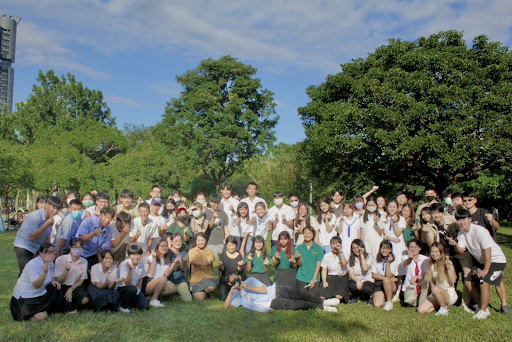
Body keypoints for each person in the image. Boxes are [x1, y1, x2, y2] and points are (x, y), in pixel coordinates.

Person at [451, 209, 510, 318]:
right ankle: (484, 308)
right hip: (482, 262)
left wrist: (486, 269)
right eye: (459, 220)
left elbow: (488, 250)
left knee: (483, 283)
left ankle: (482, 311)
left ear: (470, 219)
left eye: (464, 219)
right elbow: (461, 250)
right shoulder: (461, 234)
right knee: (469, 282)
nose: (462, 222)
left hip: (496, 259)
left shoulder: (480, 230)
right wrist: (454, 244)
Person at [224, 275, 340, 312]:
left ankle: (324, 301)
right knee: (298, 304)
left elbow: (264, 290)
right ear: (230, 284)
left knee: (300, 294)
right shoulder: (237, 296)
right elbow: (226, 308)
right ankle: (323, 307)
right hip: (270, 303)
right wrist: (231, 293)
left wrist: (248, 287)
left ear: (239, 277)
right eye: (232, 281)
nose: (236, 281)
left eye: (236, 279)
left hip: (275, 290)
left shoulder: (250, 280)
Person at [10, 242, 61, 321]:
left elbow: (50, 278)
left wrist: (52, 281)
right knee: (43, 316)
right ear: (40, 253)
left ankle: (45, 310)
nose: (51, 254)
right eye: (48, 252)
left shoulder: (51, 263)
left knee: (56, 289)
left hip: (39, 293)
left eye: (52, 252)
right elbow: (36, 285)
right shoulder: (33, 264)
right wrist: (44, 272)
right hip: (26, 298)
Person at [14, 196, 63, 274]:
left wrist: (49, 252)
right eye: (53, 207)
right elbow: (32, 237)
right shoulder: (35, 216)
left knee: (38, 271)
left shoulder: (50, 220)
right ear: (47, 205)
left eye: (58, 209)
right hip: (24, 246)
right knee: (26, 272)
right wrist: (47, 224)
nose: (55, 211)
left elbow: (47, 238)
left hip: (36, 248)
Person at [417, 242, 457, 316]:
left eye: (436, 252)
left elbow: (453, 281)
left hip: (448, 293)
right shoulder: (431, 265)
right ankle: (439, 305)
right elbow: (432, 281)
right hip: (436, 292)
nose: (434, 254)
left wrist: (449, 269)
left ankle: (443, 309)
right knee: (421, 310)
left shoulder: (447, 263)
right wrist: (434, 293)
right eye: (432, 252)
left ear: (441, 252)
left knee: (435, 289)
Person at [53, 238, 89, 313]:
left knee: (85, 299)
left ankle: (73, 307)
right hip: (61, 286)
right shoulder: (61, 260)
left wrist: (71, 289)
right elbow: (58, 280)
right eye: (75, 247)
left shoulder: (84, 261)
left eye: (80, 248)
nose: (77, 250)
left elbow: (81, 281)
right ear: (70, 248)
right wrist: (66, 270)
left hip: (74, 286)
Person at [116, 244, 150, 312]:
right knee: (132, 288)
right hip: (123, 289)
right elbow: (127, 282)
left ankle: (131, 303)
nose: (136, 257)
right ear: (129, 255)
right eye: (133, 255)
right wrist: (131, 270)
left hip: (134, 289)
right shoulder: (124, 264)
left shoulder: (141, 264)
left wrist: (139, 292)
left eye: (138, 255)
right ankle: (123, 306)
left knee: (145, 307)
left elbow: (140, 279)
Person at [144, 239, 178, 307]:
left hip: (160, 283)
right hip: (149, 282)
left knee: (172, 288)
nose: (164, 248)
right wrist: (154, 258)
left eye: (165, 246)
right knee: (163, 279)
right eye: (162, 246)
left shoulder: (166, 259)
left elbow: (167, 273)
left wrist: (174, 263)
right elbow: (151, 272)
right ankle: (154, 300)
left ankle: (150, 297)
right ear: (157, 247)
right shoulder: (152, 256)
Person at [295, 226, 324, 297]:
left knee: (312, 299)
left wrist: (314, 279)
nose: (307, 235)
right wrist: (299, 257)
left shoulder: (318, 248)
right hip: (301, 277)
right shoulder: (299, 247)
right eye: (305, 233)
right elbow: (299, 264)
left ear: (313, 235)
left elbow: (318, 265)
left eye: (309, 233)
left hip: (313, 277)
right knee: (301, 298)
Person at [320, 236, 349, 304]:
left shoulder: (345, 255)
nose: (335, 246)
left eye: (337, 244)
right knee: (322, 296)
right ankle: (329, 301)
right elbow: (324, 270)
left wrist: (340, 251)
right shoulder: (327, 256)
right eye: (333, 244)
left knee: (339, 296)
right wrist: (324, 281)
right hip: (330, 277)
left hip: (341, 278)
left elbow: (344, 263)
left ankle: (331, 300)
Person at [371, 241, 399, 310]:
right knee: (377, 304)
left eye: (387, 249)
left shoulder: (394, 260)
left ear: (390, 250)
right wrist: (385, 278)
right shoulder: (376, 259)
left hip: (390, 284)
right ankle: (383, 297)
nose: (384, 251)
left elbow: (388, 275)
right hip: (379, 283)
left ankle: (389, 302)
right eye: (383, 248)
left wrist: (388, 262)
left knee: (386, 280)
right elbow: (374, 275)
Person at [188, 233, 216, 301]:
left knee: (211, 288)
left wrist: (204, 262)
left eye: (202, 240)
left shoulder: (210, 251)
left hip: (207, 276)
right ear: (196, 241)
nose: (200, 242)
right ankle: (196, 291)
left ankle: (206, 291)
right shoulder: (191, 251)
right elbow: (192, 261)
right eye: (198, 240)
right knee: (200, 299)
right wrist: (203, 263)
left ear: (206, 241)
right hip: (196, 279)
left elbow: (210, 260)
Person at [402, 239, 429, 307]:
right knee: (409, 300)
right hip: (411, 286)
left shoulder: (426, 259)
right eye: (411, 247)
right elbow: (406, 263)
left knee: (426, 282)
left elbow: (427, 276)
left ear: (419, 248)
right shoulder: (405, 258)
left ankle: (421, 302)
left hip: (422, 284)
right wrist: (410, 259)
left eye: (415, 247)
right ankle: (415, 301)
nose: (413, 249)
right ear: (408, 248)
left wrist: (417, 277)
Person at [166, 233, 192, 302]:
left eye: (180, 241)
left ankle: (176, 296)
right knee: (170, 290)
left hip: (180, 280)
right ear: (171, 242)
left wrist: (184, 262)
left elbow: (183, 268)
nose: (178, 243)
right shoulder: (167, 252)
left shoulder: (183, 253)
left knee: (188, 299)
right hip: (169, 279)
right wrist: (175, 263)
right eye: (175, 241)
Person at [348, 239, 374, 304]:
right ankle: (356, 297)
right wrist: (357, 280)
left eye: (357, 247)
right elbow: (351, 273)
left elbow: (365, 268)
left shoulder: (369, 257)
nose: (356, 250)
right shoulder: (351, 259)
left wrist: (362, 255)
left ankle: (367, 297)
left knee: (367, 289)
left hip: (367, 279)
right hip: (357, 279)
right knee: (351, 285)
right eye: (354, 248)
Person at [218, 236, 245, 301]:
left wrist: (240, 266)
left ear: (236, 245)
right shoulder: (222, 255)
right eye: (229, 245)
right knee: (223, 298)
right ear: (226, 245)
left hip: (236, 279)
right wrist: (221, 265)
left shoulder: (239, 255)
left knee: (237, 297)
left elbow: (239, 270)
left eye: (233, 245)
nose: (231, 247)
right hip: (225, 279)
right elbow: (222, 270)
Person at [204, 193, 230, 258]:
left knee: (224, 263)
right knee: (210, 262)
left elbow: (225, 227)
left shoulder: (223, 213)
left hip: (222, 242)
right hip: (211, 243)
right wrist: (213, 218)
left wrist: (228, 240)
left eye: (218, 203)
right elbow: (209, 226)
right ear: (210, 202)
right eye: (214, 203)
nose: (216, 205)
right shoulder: (206, 213)